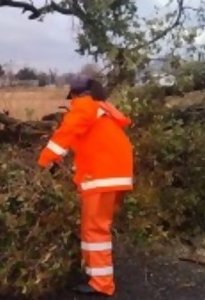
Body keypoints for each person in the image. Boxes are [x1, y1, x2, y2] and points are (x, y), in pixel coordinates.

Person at [36, 74, 133, 297]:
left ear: (78, 95)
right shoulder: (104, 110)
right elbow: (90, 142)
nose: (72, 103)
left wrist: (44, 161)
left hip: (101, 177)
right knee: (100, 226)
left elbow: (64, 134)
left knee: (95, 229)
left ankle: (101, 283)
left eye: (73, 98)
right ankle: (97, 274)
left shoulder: (84, 107)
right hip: (118, 175)